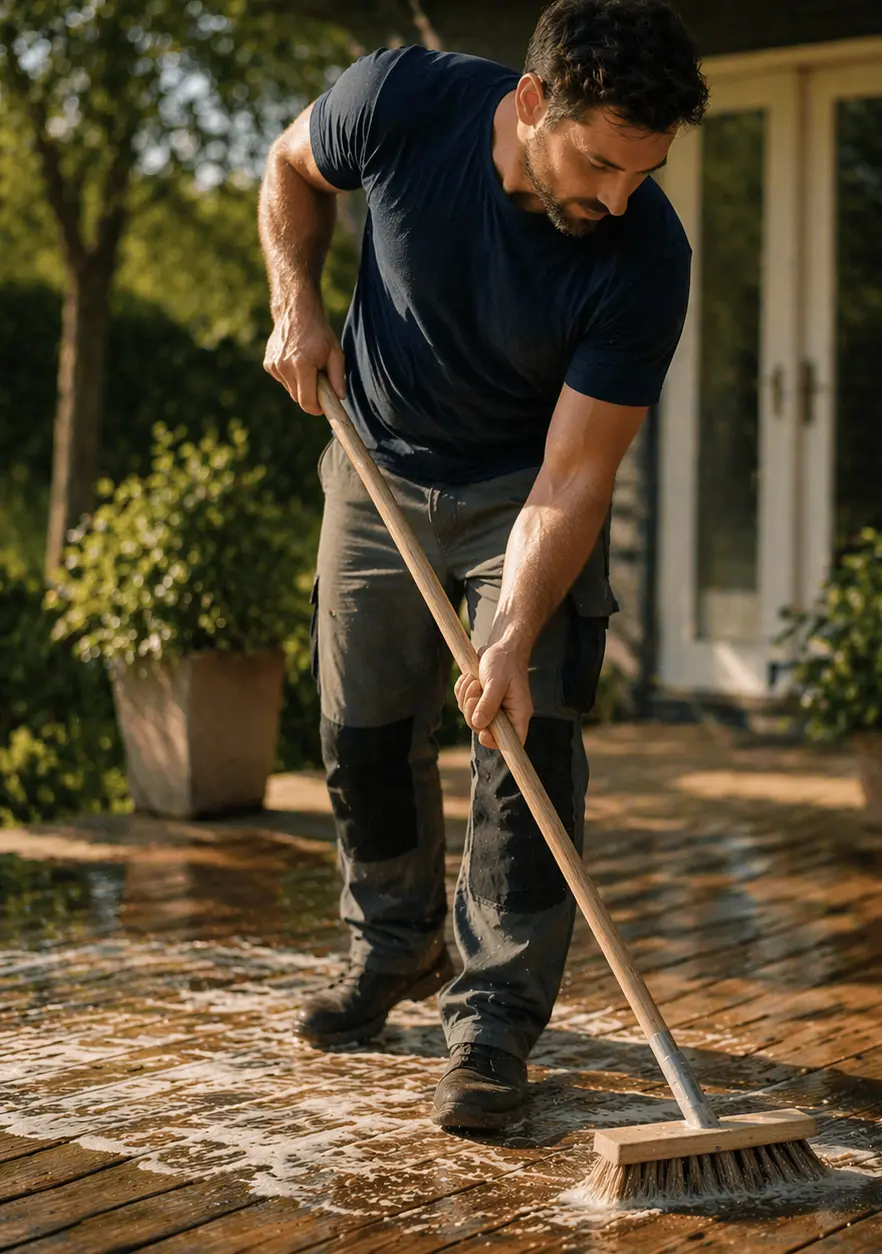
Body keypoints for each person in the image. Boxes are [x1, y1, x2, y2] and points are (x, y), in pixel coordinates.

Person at [257, 0, 706, 1131]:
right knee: (358, 730)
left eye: (640, 175)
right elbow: (289, 167)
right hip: (378, 460)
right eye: (600, 162)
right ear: (529, 105)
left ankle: (495, 1017)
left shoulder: (646, 255)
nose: (615, 198)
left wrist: (507, 637)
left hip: (523, 489)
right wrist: (296, 303)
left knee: (525, 735)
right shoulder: (402, 102)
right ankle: (391, 946)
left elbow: (573, 476)